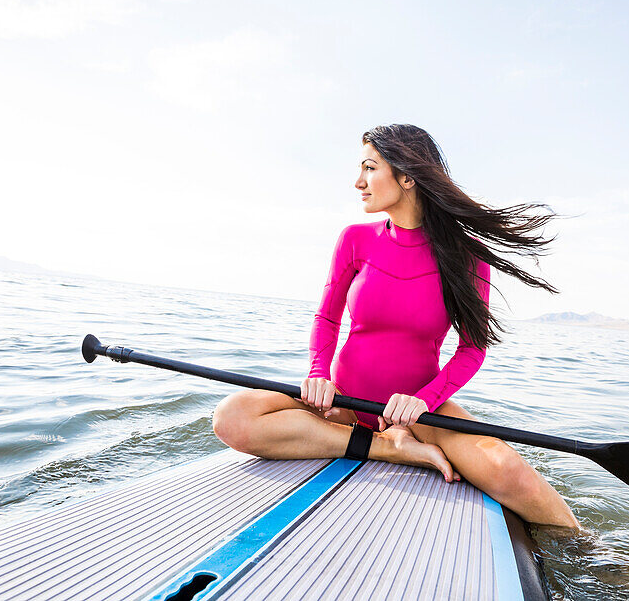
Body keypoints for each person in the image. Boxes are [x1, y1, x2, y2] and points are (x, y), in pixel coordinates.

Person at [212, 123, 583, 531]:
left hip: (423, 415)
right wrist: (318, 374)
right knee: (233, 417)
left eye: (370, 169)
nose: (358, 182)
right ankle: (389, 450)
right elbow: (327, 318)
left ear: (407, 177)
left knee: (506, 468)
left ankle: (596, 553)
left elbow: (472, 349)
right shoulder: (355, 239)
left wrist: (421, 403)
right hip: (343, 406)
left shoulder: (467, 257)